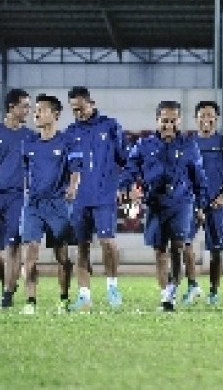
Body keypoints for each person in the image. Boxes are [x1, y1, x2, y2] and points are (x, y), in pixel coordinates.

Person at [119, 101, 208, 312]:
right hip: (155, 204)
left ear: (179, 120)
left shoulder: (188, 145)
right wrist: (125, 187)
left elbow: (199, 178)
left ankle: (171, 293)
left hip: (181, 203)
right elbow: (130, 169)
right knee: (159, 251)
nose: (168, 125)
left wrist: (201, 206)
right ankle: (165, 293)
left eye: (172, 120)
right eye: (164, 120)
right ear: (157, 120)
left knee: (177, 247)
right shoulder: (144, 145)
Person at [65, 86, 129, 311]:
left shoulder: (110, 126)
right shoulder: (70, 132)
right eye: (74, 110)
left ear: (91, 103)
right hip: (80, 199)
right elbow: (69, 166)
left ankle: (112, 286)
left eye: (81, 108)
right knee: (81, 246)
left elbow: (125, 159)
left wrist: (124, 187)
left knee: (107, 242)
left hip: (105, 195)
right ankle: (84, 295)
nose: (79, 113)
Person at [19, 95, 81, 314]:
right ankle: (30, 301)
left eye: (42, 110)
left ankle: (63, 297)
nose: (36, 114)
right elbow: (25, 171)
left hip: (58, 205)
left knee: (62, 256)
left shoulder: (67, 141)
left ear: (55, 115)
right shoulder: (29, 143)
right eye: (35, 110)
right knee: (30, 253)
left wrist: (72, 188)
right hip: (34, 205)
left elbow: (75, 170)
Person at [181, 101, 223, 306]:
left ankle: (214, 292)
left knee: (215, 250)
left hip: (215, 203)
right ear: (196, 118)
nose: (206, 119)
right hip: (191, 203)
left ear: (216, 118)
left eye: (210, 115)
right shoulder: (187, 142)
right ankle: (192, 286)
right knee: (185, 243)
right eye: (202, 115)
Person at [1, 89, 37, 308]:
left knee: (13, 246)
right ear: (12, 108)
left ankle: (7, 294)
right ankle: (9, 281)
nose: (28, 110)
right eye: (25, 106)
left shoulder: (30, 138)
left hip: (16, 198)